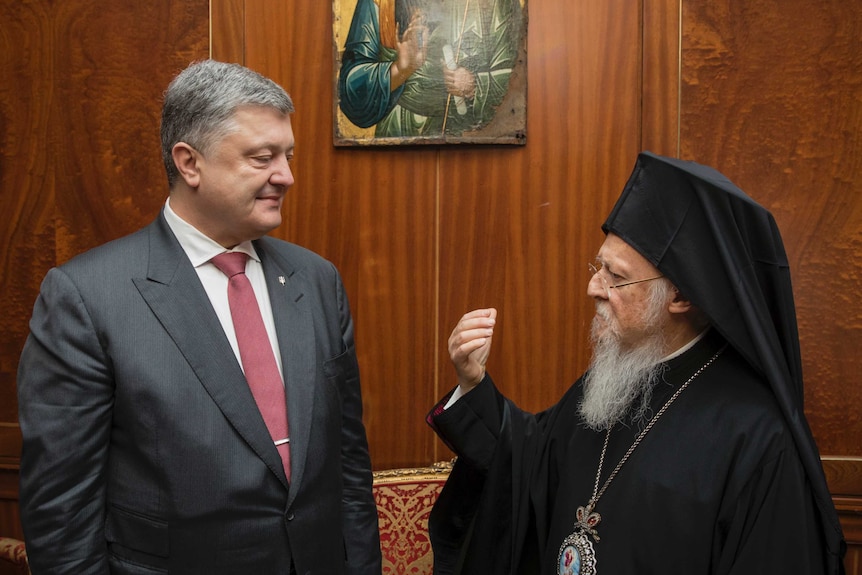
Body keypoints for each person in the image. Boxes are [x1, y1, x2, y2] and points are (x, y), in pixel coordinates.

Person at [17, 60, 381, 574]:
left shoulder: (316, 280)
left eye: (289, 155)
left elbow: (347, 465)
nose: (287, 175)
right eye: (263, 157)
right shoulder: (87, 297)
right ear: (190, 163)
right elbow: (61, 512)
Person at [426, 152, 846, 574]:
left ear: (682, 296)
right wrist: (474, 383)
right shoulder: (614, 382)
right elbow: (530, 465)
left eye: (617, 276)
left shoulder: (757, 437)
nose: (594, 286)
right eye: (598, 266)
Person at [338, 0, 522, 137]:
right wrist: (401, 69)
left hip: (468, 143)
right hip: (396, 139)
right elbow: (350, 91)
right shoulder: (381, 3)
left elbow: (518, 82)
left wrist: (474, 85)